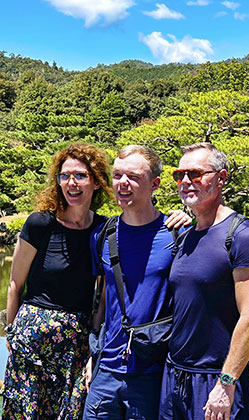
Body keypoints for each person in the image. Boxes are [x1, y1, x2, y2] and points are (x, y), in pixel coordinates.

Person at [159, 142, 249, 420]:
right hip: (174, 374)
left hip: (215, 380)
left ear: (221, 178)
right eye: (179, 175)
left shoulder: (243, 236)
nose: (186, 181)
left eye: (196, 174)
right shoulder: (185, 235)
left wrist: (227, 382)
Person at [2, 142, 112, 419]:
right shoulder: (40, 223)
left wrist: (94, 341)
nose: (71, 183)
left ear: (97, 182)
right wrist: (12, 333)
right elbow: (15, 284)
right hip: (32, 335)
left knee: (70, 413)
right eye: (65, 176)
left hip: (76, 341)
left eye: (80, 176)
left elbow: (103, 293)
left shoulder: (104, 229)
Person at [83, 145, 190, 420]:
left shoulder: (178, 233)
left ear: (155, 184)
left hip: (153, 372)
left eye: (133, 177)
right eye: (117, 175)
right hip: (105, 371)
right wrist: (91, 353)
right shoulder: (102, 236)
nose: (123, 184)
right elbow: (102, 299)